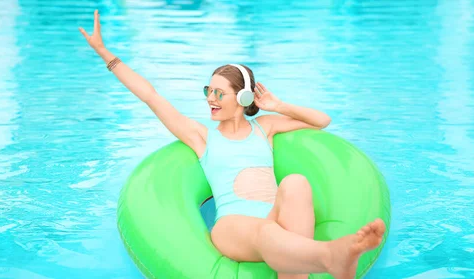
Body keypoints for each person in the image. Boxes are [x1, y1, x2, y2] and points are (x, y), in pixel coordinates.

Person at [79, 10, 386, 279]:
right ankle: (331, 256)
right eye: (208, 91)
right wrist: (106, 54)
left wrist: (277, 105)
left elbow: (322, 121)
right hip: (233, 227)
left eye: (219, 93)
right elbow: (151, 96)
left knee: (295, 183)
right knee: (268, 232)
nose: (210, 99)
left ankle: (314, 266)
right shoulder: (201, 136)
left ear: (243, 99)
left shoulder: (265, 128)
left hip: (273, 217)